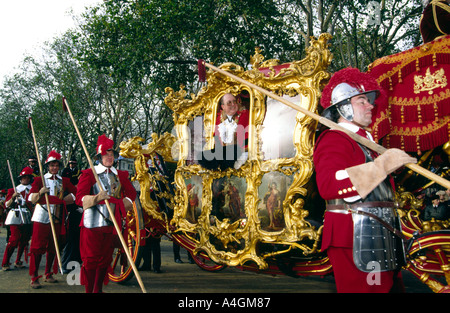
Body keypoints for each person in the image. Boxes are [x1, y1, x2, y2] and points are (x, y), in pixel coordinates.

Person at [313, 67, 417, 293]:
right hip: (354, 235)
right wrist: (382, 165)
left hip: (379, 231)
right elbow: (329, 185)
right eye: (362, 100)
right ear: (344, 107)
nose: (371, 106)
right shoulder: (334, 138)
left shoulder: (365, 140)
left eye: (369, 101)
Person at [76, 134, 136, 293]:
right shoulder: (90, 173)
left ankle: (98, 289)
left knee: (105, 259)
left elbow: (132, 194)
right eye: (105, 154)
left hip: (112, 223)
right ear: (99, 156)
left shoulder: (121, 175)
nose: (109, 157)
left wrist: (124, 204)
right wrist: (95, 198)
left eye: (111, 154)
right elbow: (79, 198)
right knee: (91, 260)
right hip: (92, 223)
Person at [28, 151, 77, 289]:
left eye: (56, 165)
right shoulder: (39, 180)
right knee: (37, 248)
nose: (54, 168)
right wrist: (39, 193)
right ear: (48, 166)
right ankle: (34, 276)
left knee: (53, 247)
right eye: (51, 165)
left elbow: (77, 193)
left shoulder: (64, 181)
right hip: (42, 216)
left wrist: (69, 199)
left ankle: (48, 273)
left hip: (57, 217)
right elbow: (31, 198)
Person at [199, 93, 250, 170]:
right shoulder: (219, 117)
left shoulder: (244, 113)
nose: (233, 104)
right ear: (223, 107)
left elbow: (241, 137)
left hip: (239, 148)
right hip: (224, 150)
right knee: (202, 156)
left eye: (234, 101)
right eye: (229, 102)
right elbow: (217, 137)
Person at [2, 167, 33, 271]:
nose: (26, 179)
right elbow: (6, 205)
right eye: (24, 177)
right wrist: (12, 197)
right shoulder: (14, 190)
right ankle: (5, 262)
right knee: (14, 239)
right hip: (15, 216)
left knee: (24, 240)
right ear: (20, 178)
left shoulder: (32, 190)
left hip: (28, 217)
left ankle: (18, 260)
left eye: (28, 177)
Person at [61, 156, 82, 273]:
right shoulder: (66, 173)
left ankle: (76, 263)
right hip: (71, 212)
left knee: (78, 241)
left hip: (81, 214)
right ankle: (65, 265)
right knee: (71, 240)